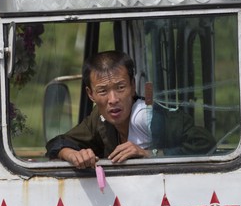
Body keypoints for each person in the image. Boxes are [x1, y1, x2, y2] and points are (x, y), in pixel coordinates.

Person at [45, 50, 216, 168]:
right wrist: (72, 155)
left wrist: (148, 154)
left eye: (120, 88)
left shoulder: (146, 117)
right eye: (103, 91)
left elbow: (205, 143)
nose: (113, 100)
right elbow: (58, 143)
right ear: (91, 95)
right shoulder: (99, 118)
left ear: (133, 86)